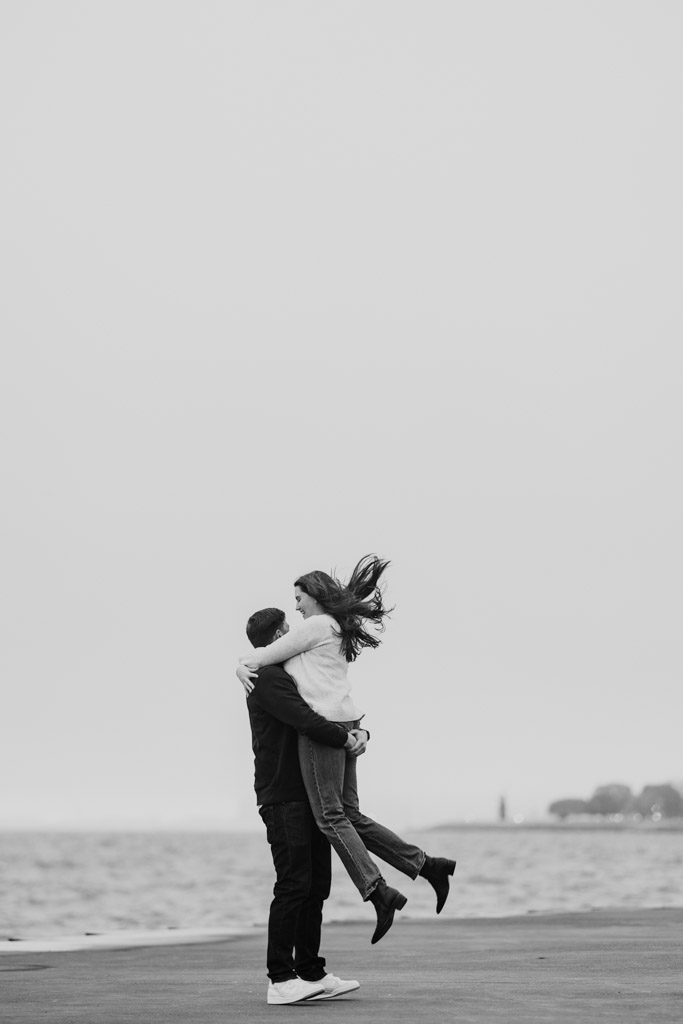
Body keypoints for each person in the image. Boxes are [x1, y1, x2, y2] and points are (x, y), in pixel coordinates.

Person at [238, 555, 456, 945]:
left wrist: (240, 667)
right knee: (349, 815)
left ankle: (378, 891)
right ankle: (427, 866)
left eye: (299, 598)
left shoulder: (316, 625)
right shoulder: (334, 627)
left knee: (330, 817)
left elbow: (260, 656)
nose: (296, 607)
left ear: (314, 595)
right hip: (347, 719)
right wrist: (356, 733)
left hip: (326, 728)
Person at [245, 605, 365, 1006]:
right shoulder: (267, 678)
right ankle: (280, 979)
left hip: (310, 794)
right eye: (289, 629)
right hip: (283, 796)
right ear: (281, 635)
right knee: (293, 884)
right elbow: (304, 719)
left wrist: (360, 730)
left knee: (316, 885)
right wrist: (345, 738)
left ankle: (311, 972)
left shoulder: (290, 673)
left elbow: (326, 706)